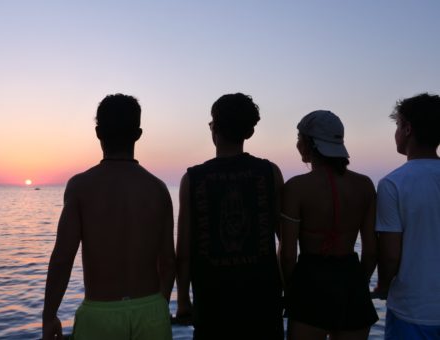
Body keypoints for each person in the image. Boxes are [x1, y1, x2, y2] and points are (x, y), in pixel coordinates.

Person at [42, 94, 176, 340]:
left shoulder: (80, 187)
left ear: (98, 133)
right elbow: (168, 262)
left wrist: (49, 315)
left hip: (100, 315)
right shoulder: (158, 189)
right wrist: (159, 305)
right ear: (138, 134)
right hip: (151, 309)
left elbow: (62, 258)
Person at [175, 93, 285, 339]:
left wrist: (183, 300)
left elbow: (184, 251)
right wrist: (287, 287)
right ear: (249, 132)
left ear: (214, 128)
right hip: (263, 301)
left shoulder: (193, 179)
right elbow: (284, 241)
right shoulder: (270, 172)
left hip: (212, 302)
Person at [280, 110, 378, 340]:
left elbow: (287, 254)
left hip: (310, 281)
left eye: (299, 139)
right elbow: (372, 251)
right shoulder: (364, 186)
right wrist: (357, 285)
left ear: (309, 143)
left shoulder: (296, 188)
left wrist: (289, 290)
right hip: (351, 279)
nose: (297, 145)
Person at [375, 93, 440, 339]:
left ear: (408, 129)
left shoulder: (393, 184)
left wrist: (382, 285)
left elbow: (391, 255)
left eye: (397, 125)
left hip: (412, 311)